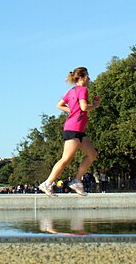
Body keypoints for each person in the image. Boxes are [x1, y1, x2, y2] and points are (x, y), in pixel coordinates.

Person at [37, 67, 101, 196]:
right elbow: (83, 107)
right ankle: (47, 183)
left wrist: (72, 110)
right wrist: (95, 105)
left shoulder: (71, 91)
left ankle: (76, 181)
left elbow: (59, 105)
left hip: (79, 130)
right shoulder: (82, 90)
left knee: (92, 154)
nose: (89, 78)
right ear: (82, 77)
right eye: (88, 76)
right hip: (73, 129)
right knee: (66, 158)